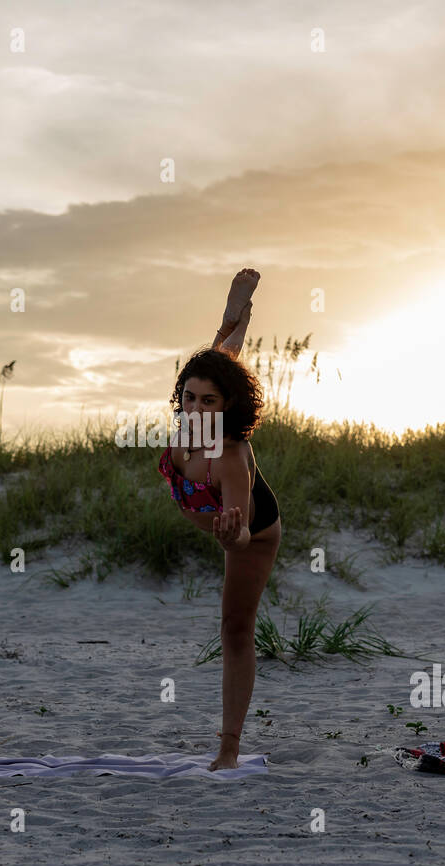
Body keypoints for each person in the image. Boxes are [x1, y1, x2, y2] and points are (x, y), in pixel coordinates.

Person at [157, 268, 281, 771]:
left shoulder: (229, 455)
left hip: (254, 533)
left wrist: (233, 536)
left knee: (234, 628)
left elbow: (242, 532)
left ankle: (229, 747)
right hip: (227, 524)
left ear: (226, 408)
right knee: (215, 359)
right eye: (188, 398)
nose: (196, 407)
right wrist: (236, 313)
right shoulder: (188, 422)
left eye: (209, 402)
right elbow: (217, 363)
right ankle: (236, 312)